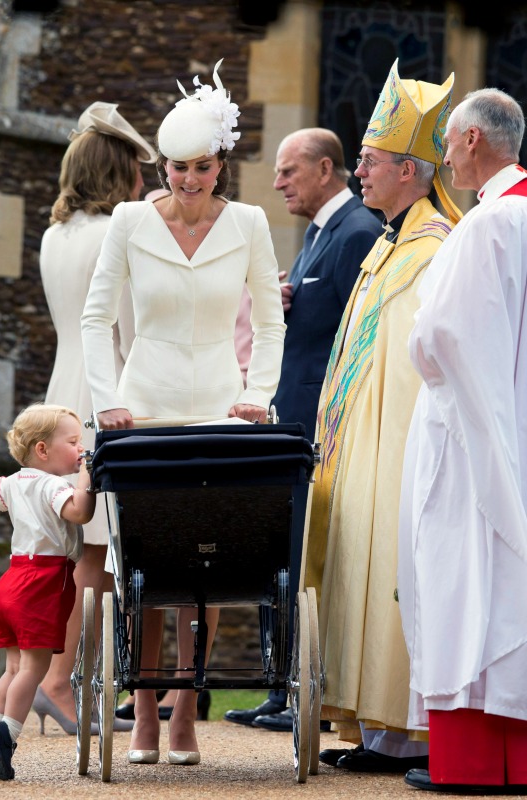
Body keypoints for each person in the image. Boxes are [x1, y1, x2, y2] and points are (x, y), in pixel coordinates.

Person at [81, 58, 285, 766]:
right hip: (143, 402)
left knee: (205, 559)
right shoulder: (129, 220)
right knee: (143, 561)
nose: (189, 180)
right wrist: (107, 399)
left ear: (220, 166)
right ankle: (142, 710)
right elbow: (96, 318)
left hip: (220, 404)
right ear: (162, 166)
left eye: (201, 167)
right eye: (177, 168)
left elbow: (271, 322)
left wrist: (258, 394)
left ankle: (187, 711)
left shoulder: (250, 222)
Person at [303, 59, 461, 774]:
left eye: (369, 161)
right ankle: (375, 728)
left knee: (391, 572)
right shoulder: (388, 241)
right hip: (356, 448)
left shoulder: (433, 249)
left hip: (397, 447)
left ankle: (405, 730)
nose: (358, 173)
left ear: (408, 169)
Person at [225, 127, 380, 733]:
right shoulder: (319, 233)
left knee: (301, 559)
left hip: (320, 429)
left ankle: (297, 691)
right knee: (280, 555)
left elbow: (359, 341)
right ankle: (278, 686)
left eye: (288, 171)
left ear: (324, 169)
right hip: (289, 423)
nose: (277, 182)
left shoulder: (358, 232)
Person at [398, 88, 527, 793]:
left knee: (469, 578)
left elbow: (442, 334)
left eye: (447, 142)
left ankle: (473, 763)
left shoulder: (487, 224)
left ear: (473, 139)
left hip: (474, 431)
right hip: (515, 420)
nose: (444, 157)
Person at [35, 101, 154, 735]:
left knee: (72, 549)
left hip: (62, 391)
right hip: (107, 393)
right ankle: (59, 682)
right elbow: (131, 333)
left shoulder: (54, 234)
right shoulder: (119, 233)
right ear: (119, 172)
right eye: (136, 169)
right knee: (100, 554)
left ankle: (52, 679)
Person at [0, 402, 95, 781]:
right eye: (73, 442)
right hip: (45, 580)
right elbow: (80, 512)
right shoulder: (54, 486)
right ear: (42, 449)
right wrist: (88, 473)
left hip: (13, 578)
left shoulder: (13, 483)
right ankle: (6, 733)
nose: (80, 448)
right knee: (34, 668)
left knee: (13, 667)